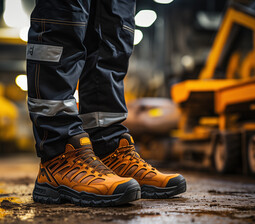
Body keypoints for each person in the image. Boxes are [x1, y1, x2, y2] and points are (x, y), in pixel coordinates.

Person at [26, 0, 186, 207]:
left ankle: (108, 149)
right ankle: (59, 154)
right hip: (58, 154)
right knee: (63, 21)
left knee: (112, 36)